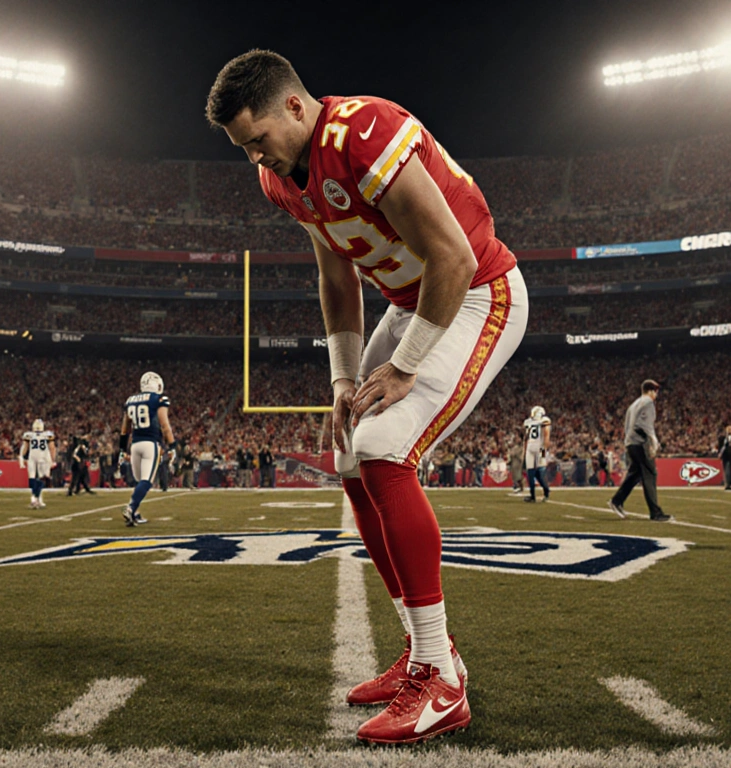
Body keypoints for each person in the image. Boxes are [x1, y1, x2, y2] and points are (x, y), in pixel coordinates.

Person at [208, 50, 528, 744]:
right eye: (245, 150)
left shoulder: (366, 132)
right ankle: (423, 652)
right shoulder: (281, 178)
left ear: (294, 105)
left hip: (475, 294)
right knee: (350, 448)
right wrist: (344, 381)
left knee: (384, 447)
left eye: (258, 140)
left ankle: (442, 679)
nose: (256, 160)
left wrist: (407, 366)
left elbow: (455, 257)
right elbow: (337, 275)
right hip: (411, 303)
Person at [608, 380, 671, 522]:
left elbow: (627, 426)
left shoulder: (633, 405)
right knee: (650, 474)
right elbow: (643, 424)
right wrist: (653, 440)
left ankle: (617, 501)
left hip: (631, 443)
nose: (656, 395)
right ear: (651, 391)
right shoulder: (648, 403)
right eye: (656, 391)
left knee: (635, 474)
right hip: (640, 443)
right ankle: (655, 513)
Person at [121, 371, 175, 526]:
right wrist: (173, 446)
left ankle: (135, 512)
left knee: (139, 481)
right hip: (150, 444)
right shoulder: (159, 399)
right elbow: (165, 425)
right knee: (146, 481)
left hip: (135, 444)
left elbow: (125, 428)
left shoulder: (131, 400)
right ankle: (131, 508)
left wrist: (122, 449)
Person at [20, 419, 56, 509]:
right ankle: (36, 497)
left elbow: (25, 447)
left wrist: (21, 456)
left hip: (32, 457)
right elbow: (52, 448)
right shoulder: (47, 435)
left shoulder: (29, 435)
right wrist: (52, 459)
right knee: (42, 478)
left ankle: (35, 498)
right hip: (43, 458)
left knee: (32, 478)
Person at [522, 406, 552, 502]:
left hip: (532, 448)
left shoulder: (528, 422)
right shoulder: (544, 420)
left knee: (535, 471)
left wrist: (524, 450)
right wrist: (545, 450)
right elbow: (546, 436)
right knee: (534, 471)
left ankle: (542, 492)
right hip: (539, 448)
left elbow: (525, 438)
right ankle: (536, 494)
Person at [67, 430, 95, 496]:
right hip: (77, 463)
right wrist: (78, 459)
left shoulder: (80, 444)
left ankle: (80, 489)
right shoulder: (80, 444)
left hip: (80, 462)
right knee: (76, 477)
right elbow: (75, 453)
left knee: (81, 477)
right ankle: (71, 491)